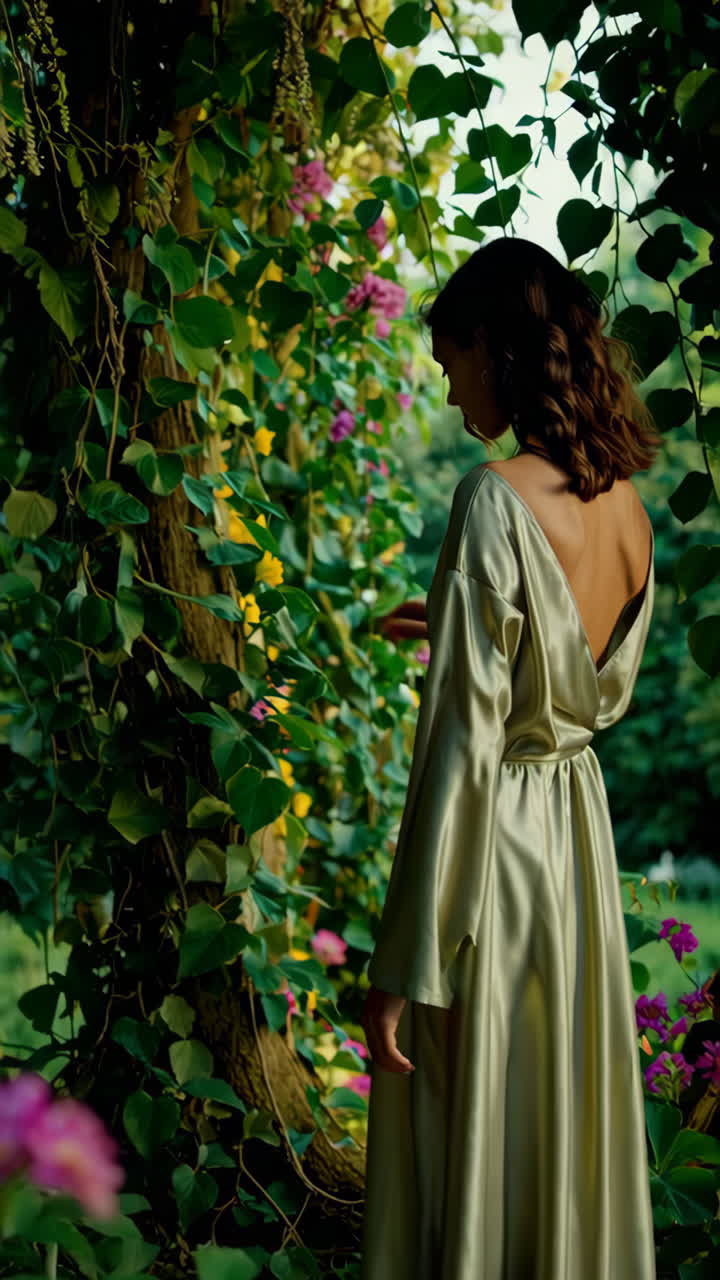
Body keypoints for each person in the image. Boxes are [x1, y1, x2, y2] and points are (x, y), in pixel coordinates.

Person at [359, 236, 661, 1279]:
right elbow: (568, 681)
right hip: (577, 840)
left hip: (497, 852)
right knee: (556, 1103)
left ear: (494, 345)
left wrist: (402, 965)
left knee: (473, 1108)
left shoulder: (493, 498)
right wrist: (455, 624)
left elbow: (463, 749)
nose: (451, 394)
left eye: (452, 365)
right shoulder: (628, 506)